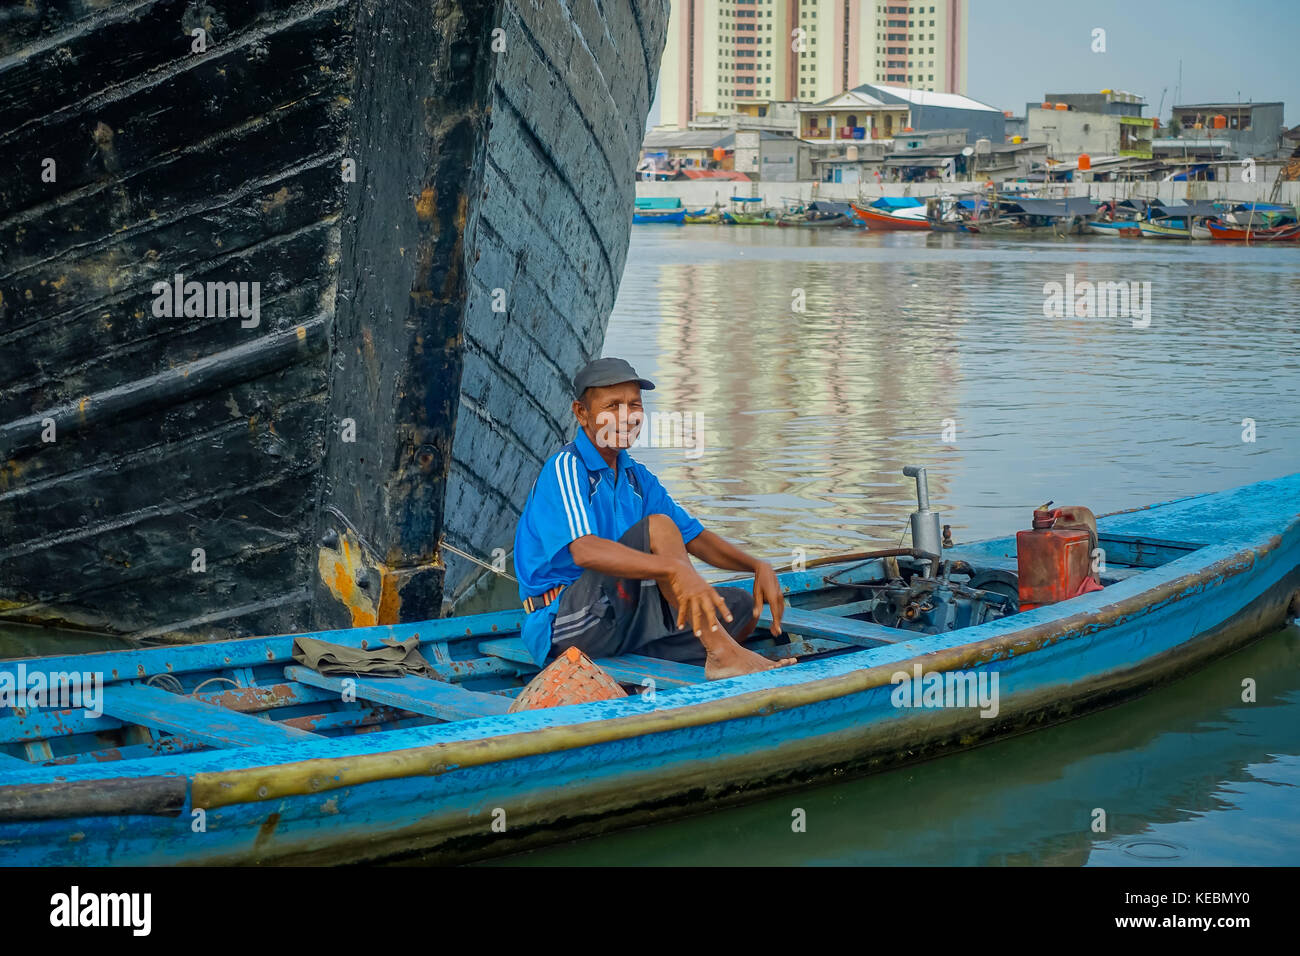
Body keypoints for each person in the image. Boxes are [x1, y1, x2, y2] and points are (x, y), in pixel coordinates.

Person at [513, 357, 793, 680]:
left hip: (623, 617)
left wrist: (756, 565)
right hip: (565, 624)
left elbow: (694, 538)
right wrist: (673, 569)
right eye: (612, 406)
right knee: (658, 527)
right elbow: (585, 550)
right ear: (582, 413)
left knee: (739, 608)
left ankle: (675, 659)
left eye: (634, 405)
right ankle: (723, 654)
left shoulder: (636, 478)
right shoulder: (566, 468)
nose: (625, 416)